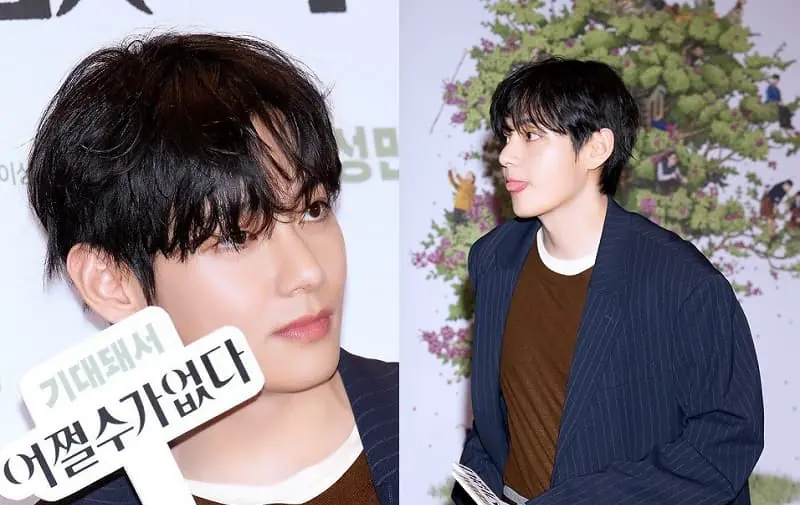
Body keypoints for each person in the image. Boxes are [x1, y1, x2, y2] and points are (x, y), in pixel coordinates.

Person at [26, 32, 398, 505]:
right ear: (111, 281)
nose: (307, 271)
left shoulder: (434, 427)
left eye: (313, 210)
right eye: (235, 238)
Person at [452, 57, 764, 505]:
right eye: (507, 135)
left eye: (531, 135)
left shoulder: (682, 282)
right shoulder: (494, 258)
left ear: (596, 149)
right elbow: (495, 420)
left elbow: (724, 441)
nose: (506, 155)